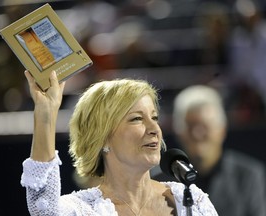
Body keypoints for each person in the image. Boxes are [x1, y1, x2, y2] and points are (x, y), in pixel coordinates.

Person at [20, 70, 218, 215]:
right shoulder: (84, 210)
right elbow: (43, 208)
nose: (154, 129)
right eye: (136, 119)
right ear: (103, 136)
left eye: (154, 117)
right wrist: (45, 114)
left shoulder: (190, 200)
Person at [151, 85, 266, 216]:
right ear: (178, 131)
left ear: (222, 129)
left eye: (205, 126)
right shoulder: (160, 178)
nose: (197, 133)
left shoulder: (248, 176)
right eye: (190, 126)